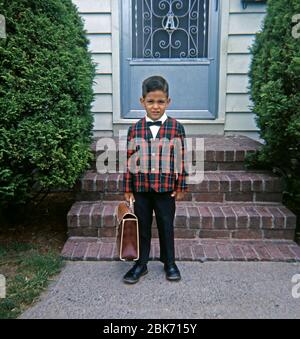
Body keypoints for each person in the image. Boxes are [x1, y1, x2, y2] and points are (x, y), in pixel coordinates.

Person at [122, 75, 188, 284]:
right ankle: (140, 264)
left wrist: (181, 185)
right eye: (151, 101)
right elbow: (129, 160)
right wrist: (128, 187)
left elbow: (181, 159)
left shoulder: (176, 127)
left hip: (165, 189)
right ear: (142, 101)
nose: (156, 107)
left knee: (166, 225)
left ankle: (170, 262)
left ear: (168, 101)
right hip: (141, 188)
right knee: (142, 226)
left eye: (160, 101)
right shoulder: (135, 129)